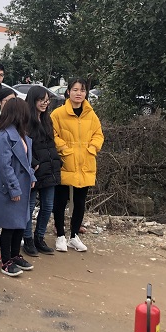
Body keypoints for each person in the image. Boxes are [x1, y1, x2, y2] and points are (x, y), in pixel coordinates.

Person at [0, 99, 37, 277]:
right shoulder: (4, 136)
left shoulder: (23, 135)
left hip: (23, 186)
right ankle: (6, 261)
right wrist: (14, 188)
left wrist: (32, 177)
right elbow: (5, 166)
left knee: (20, 224)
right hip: (10, 188)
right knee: (9, 226)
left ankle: (15, 255)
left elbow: (27, 163)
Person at [51, 78, 103, 253]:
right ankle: (60, 235)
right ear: (68, 92)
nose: (78, 93)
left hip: (85, 163)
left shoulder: (91, 114)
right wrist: (64, 149)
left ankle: (74, 236)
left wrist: (92, 148)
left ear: (86, 93)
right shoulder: (58, 114)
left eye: (82, 90)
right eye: (75, 90)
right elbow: (52, 134)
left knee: (80, 202)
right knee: (60, 201)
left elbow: (98, 134)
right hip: (65, 161)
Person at [24, 86, 61, 255]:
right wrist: (33, 163)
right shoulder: (25, 121)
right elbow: (23, 145)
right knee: (29, 207)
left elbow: (51, 144)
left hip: (50, 168)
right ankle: (27, 239)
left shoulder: (47, 120)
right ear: (33, 101)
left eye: (47, 100)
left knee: (47, 206)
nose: (45, 103)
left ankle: (39, 237)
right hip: (34, 170)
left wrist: (57, 162)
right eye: (41, 100)